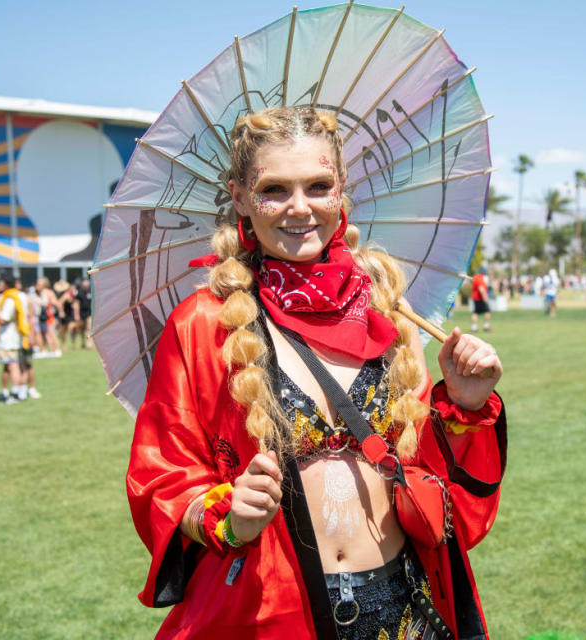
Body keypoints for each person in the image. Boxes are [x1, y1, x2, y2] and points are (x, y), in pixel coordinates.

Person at [126, 107, 506, 640]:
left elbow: (438, 492)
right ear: (239, 198)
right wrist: (228, 515)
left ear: (341, 191)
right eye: (275, 190)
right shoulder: (201, 326)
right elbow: (161, 477)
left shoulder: (388, 312)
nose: (299, 208)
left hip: (404, 608)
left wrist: (463, 407)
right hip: (273, 613)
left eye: (318, 185)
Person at [0, 276, 29, 404]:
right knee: (17, 365)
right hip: (18, 336)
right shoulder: (22, 296)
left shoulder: (9, 299)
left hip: (9, 338)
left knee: (12, 365)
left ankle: (15, 393)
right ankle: (21, 391)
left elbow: (4, 319)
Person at [470, 267, 491, 332]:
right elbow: (481, 288)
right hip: (480, 298)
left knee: (476, 312)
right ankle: (486, 326)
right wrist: (485, 297)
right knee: (487, 311)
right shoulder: (480, 278)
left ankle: (474, 327)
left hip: (475, 298)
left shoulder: (475, 277)